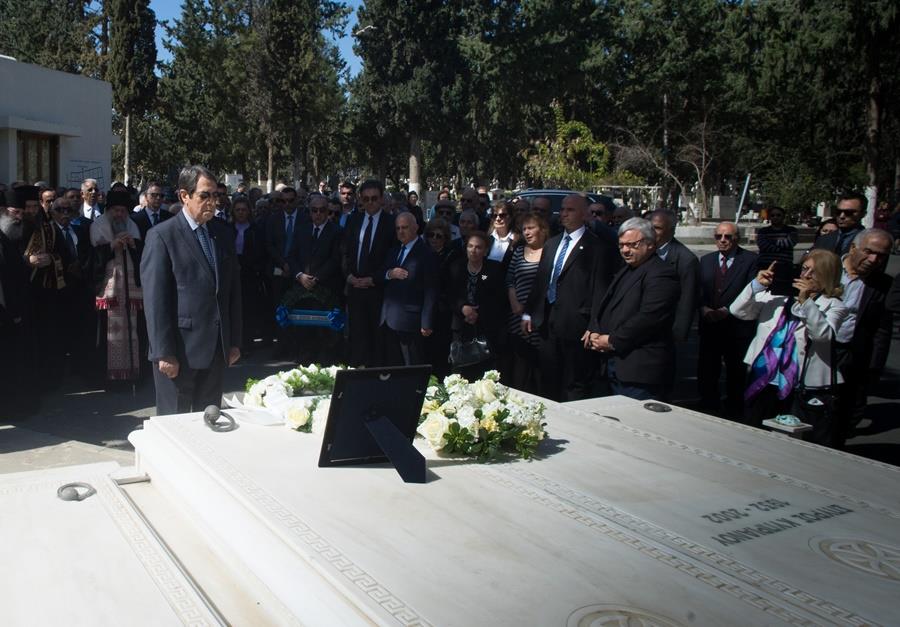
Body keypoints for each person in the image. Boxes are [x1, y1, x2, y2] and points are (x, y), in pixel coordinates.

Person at [141, 165, 242, 415]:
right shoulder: (162, 236)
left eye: (215, 195)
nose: (212, 203)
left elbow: (232, 292)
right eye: (204, 196)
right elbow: (156, 301)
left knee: (209, 422)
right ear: (184, 196)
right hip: (179, 352)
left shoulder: (222, 234)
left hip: (215, 350)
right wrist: (164, 352)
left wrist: (234, 342)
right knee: (175, 425)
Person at [731, 250, 848, 443]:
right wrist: (757, 285)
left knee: (790, 438)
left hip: (799, 384)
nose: (806, 275)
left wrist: (807, 303)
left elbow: (822, 336)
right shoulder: (777, 295)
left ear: (828, 275)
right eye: (804, 268)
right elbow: (738, 311)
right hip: (764, 377)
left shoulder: (834, 305)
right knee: (753, 431)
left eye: (814, 272)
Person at [521, 194, 615, 401]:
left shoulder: (596, 248)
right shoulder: (552, 244)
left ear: (584, 214)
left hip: (576, 326)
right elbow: (541, 280)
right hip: (547, 324)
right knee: (548, 380)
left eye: (570, 210)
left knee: (574, 384)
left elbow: (600, 291)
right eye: (562, 209)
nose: (564, 213)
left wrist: (595, 325)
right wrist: (528, 312)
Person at [587, 217, 680, 400]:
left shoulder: (661, 274)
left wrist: (612, 340)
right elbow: (609, 305)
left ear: (650, 244)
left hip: (640, 370)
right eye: (621, 245)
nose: (625, 250)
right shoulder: (628, 269)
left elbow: (650, 318)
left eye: (632, 245)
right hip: (614, 364)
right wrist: (596, 329)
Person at [834, 228, 895, 446]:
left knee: (845, 408)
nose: (873, 260)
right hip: (817, 349)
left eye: (881, 256)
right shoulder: (827, 267)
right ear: (853, 248)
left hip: (852, 354)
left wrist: (874, 368)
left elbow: (882, 330)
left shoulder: (883, 284)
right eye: (868, 252)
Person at [697, 222, 758, 418]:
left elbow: (751, 292)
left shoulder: (750, 260)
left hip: (736, 327)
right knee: (708, 369)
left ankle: (734, 409)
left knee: (736, 372)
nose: (723, 240)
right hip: (710, 325)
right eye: (719, 236)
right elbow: (698, 289)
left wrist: (727, 310)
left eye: (728, 237)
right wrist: (703, 308)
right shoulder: (706, 260)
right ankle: (708, 404)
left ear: (737, 238)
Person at [342, 180, 397, 367]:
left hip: (378, 289)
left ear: (381, 199)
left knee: (377, 336)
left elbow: (392, 257)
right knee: (357, 334)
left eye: (374, 198)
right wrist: (349, 276)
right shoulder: (353, 220)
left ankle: (376, 373)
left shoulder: (391, 223)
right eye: (366, 199)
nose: (370, 202)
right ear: (360, 200)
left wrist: (373, 279)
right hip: (355, 286)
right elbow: (345, 252)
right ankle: (357, 370)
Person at [91, 191, 144, 383]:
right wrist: (111, 246)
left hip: (130, 291)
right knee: (108, 332)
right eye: (116, 210)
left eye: (123, 211)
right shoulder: (98, 226)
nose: (119, 215)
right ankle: (108, 377)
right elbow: (92, 260)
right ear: (108, 211)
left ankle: (132, 372)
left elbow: (142, 255)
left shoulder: (133, 226)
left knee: (134, 330)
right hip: (109, 290)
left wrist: (133, 245)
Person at [287, 194, 343, 363]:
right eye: (314, 210)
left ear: (327, 211)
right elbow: (291, 256)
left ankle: (326, 364)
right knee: (305, 331)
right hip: (302, 289)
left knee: (325, 333)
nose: (318, 214)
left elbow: (335, 259)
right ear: (309, 211)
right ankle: (305, 362)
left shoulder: (337, 231)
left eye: (322, 210)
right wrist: (300, 276)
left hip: (326, 289)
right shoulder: (301, 230)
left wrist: (315, 278)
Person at [377, 212, 438, 366]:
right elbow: (379, 275)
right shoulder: (393, 251)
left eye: (405, 227)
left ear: (415, 227)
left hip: (410, 321)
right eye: (398, 228)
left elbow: (431, 290)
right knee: (393, 366)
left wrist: (426, 322)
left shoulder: (426, 254)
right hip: (388, 319)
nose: (401, 231)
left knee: (412, 365)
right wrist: (390, 273)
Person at [448, 231, 505, 380]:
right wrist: (463, 308)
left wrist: (476, 314)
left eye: (478, 247)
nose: (473, 250)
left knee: (484, 376)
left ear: (486, 251)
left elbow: (498, 299)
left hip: (485, 328)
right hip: (460, 328)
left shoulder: (493, 269)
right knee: (460, 374)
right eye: (470, 246)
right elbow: (449, 295)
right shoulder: (456, 267)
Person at [505, 211, 548, 393]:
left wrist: (531, 310)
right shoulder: (519, 251)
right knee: (519, 364)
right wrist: (514, 302)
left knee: (538, 368)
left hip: (539, 317)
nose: (527, 232)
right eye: (524, 229)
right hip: (517, 316)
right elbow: (510, 279)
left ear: (542, 230)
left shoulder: (550, 252)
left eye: (531, 228)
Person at [649, 210, 699, 342]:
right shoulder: (645, 251)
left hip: (667, 331)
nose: (652, 232)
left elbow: (687, 302)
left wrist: (678, 336)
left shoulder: (686, 260)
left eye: (657, 228)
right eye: (650, 227)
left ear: (671, 231)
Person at [422, 218, 457, 378]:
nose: (434, 239)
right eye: (431, 235)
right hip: (423, 311)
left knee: (440, 354)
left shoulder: (452, 256)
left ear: (446, 238)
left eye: (439, 236)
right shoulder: (422, 254)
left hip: (442, 312)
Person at [755, 206, 798, 293]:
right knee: (762, 291)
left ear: (783, 216)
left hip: (784, 267)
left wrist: (770, 241)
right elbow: (763, 245)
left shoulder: (791, 230)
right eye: (772, 215)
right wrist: (781, 247)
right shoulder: (763, 231)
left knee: (781, 293)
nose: (775, 217)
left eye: (778, 215)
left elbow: (789, 243)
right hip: (764, 265)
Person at [486, 199, 516, 270]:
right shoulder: (486, 239)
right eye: (494, 215)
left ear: (511, 217)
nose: (498, 219)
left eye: (502, 215)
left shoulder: (517, 240)